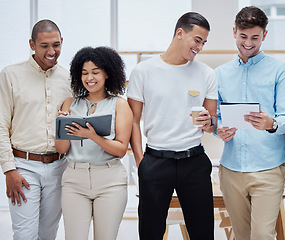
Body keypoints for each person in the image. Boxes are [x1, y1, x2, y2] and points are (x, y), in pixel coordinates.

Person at [127, 12, 218, 240]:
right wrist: (141, 161)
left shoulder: (207, 73)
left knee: (203, 233)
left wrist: (209, 123)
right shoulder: (143, 71)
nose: (200, 47)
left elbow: (212, 122)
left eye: (204, 43)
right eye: (197, 40)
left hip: (194, 162)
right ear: (180, 33)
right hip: (155, 161)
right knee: (150, 232)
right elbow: (133, 121)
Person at [215, 6, 285, 240]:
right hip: (231, 169)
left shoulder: (280, 71)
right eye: (243, 36)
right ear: (234, 32)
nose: (248, 43)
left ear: (264, 36)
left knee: (261, 235)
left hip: (268, 169)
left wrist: (271, 123)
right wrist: (219, 129)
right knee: (240, 236)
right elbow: (216, 117)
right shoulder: (220, 73)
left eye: (255, 37)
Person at [0, 20, 72, 239]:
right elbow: (1, 124)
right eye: (44, 46)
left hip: (59, 167)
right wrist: (9, 169)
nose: (51, 51)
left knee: (48, 234)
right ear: (32, 44)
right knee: (25, 234)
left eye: (56, 45)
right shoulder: (10, 75)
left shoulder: (69, 78)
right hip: (23, 167)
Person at [55, 46, 132, 240]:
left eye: (95, 72)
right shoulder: (69, 103)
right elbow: (62, 150)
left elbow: (121, 149)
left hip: (110, 180)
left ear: (107, 73)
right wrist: (60, 125)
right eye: (85, 73)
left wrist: (92, 136)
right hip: (74, 179)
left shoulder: (119, 104)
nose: (90, 77)